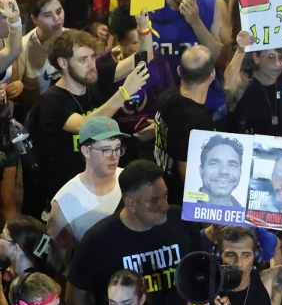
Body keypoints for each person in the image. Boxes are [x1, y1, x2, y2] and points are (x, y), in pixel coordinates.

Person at [22, 30, 148, 219]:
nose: (91, 65)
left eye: (92, 57)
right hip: (70, 197)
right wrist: (124, 92)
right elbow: (87, 126)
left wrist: (144, 29)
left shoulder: (93, 77)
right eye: (83, 60)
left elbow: (143, 59)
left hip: (104, 186)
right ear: (63, 63)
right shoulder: (50, 102)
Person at [46, 116, 123, 265]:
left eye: (118, 149)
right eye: (106, 150)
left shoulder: (130, 180)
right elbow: (58, 261)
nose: (114, 157)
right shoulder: (64, 201)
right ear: (86, 151)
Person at [153, 46, 220, 202]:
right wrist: (201, 210)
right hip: (177, 199)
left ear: (179, 71)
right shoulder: (198, 121)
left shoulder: (167, 96)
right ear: (212, 75)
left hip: (160, 182)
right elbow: (185, 169)